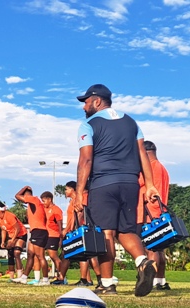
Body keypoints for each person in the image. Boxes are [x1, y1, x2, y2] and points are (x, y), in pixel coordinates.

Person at [73, 84, 159, 297]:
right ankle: (143, 261)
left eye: (86, 102)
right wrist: (149, 185)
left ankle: (107, 283)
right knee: (126, 230)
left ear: (97, 101)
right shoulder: (131, 122)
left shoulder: (88, 125)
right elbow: (142, 153)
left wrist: (79, 192)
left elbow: (86, 159)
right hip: (130, 183)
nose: (84, 107)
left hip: (103, 184)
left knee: (106, 233)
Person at [137, 140, 171, 290]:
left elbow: (139, 183)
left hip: (149, 212)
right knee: (159, 249)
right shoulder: (162, 168)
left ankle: (149, 280)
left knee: (150, 248)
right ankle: (160, 281)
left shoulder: (150, 167)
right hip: (159, 212)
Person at [61, 181, 101, 287]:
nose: (65, 191)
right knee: (90, 256)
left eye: (66, 189)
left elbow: (79, 214)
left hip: (83, 228)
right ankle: (95, 279)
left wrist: (71, 228)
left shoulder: (83, 197)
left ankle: (85, 279)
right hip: (82, 228)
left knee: (84, 254)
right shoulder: (77, 199)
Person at [14, 186, 50, 286]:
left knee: (40, 256)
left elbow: (17, 196)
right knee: (30, 254)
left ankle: (46, 280)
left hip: (39, 231)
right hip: (35, 231)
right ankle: (24, 278)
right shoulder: (33, 204)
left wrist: (24, 188)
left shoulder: (33, 199)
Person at [0, 202, 27, 279]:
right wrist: (2, 241)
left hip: (21, 234)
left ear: (0, 210)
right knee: (10, 254)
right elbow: (3, 230)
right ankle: (11, 277)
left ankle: (20, 276)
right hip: (11, 235)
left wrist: (13, 240)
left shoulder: (9, 216)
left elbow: (17, 228)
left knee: (17, 253)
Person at [40, 191, 66, 285]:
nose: (43, 203)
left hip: (54, 235)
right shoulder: (44, 209)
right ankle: (58, 277)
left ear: (49, 199)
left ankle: (62, 277)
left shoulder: (56, 209)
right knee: (48, 256)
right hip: (46, 235)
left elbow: (60, 224)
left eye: (44, 201)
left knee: (53, 256)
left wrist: (60, 237)